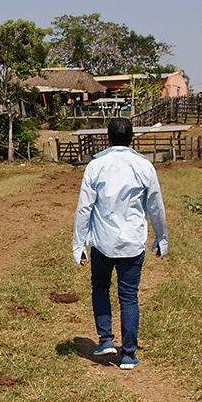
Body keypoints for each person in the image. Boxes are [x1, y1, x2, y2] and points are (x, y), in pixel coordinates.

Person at [73, 117, 168, 371]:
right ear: (133, 139)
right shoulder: (144, 166)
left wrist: (78, 244)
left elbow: (84, 208)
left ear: (107, 138)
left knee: (100, 287)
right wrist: (162, 237)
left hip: (102, 242)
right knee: (129, 296)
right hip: (132, 243)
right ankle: (128, 355)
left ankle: (105, 339)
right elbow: (155, 206)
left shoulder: (95, 166)